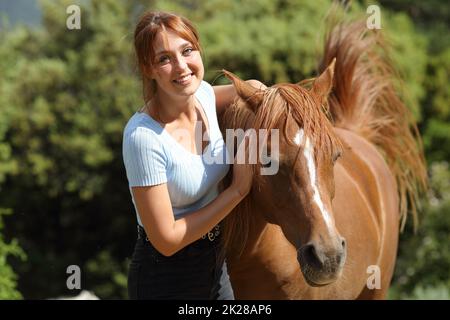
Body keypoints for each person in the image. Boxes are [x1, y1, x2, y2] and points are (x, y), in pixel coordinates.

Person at [122, 11, 266, 300]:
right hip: (165, 278)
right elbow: (167, 240)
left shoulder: (203, 95)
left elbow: (253, 90)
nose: (180, 66)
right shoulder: (143, 138)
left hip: (217, 263)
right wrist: (238, 190)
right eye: (164, 59)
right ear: (148, 69)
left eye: (187, 51)